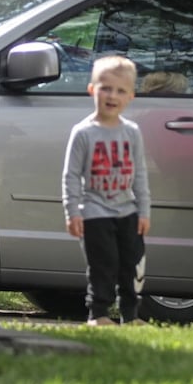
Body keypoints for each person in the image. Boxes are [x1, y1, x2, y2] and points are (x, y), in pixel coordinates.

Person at [62, 55, 151, 325]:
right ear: (92, 90)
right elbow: (71, 176)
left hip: (128, 211)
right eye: (106, 88)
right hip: (94, 212)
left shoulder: (132, 132)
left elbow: (140, 174)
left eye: (120, 90)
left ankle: (130, 315)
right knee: (103, 264)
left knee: (131, 265)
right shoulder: (83, 133)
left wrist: (144, 211)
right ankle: (98, 314)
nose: (113, 96)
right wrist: (72, 212)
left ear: (130, 97)